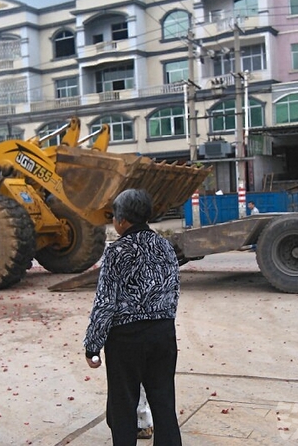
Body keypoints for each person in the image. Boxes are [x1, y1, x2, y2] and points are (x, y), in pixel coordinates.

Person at [84, 188, 182, 446]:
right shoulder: (166, 247)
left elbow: (105, 303)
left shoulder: (117, 252)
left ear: (122, 220)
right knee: (164, 404)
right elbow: (174, 292)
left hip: (126, 341)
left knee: (123, 408)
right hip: (163, 335)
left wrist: (92, 346)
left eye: (114, 216)